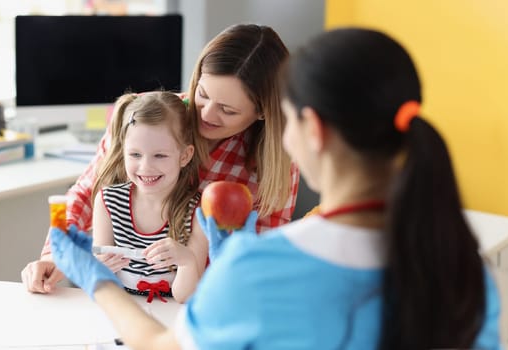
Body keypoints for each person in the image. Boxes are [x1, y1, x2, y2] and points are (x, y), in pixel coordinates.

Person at [49, 28, 502, 349]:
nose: (207, 112)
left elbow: (163, 346)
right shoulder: (465, 269)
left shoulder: (261, 263)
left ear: (312, 130)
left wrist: (97, 280)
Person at [22, 23, 300, 294]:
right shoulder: (145, 116)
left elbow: (261, 258)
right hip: (124, 295)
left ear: (263, 112)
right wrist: (54, 254)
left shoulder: (276, 164)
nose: (206, 114)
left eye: (227, 110)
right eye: (202, 94)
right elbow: (85, 193)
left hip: (207, 301)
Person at [89, 91, 208, 303]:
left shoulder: (198, 211)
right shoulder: (108, 202)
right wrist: (98, 270)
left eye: (160, 155)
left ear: (185, 156)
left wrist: (187, 261)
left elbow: (185, 297)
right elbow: (100, 285)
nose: (146, 167)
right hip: (126, 312)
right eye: (135, 155)